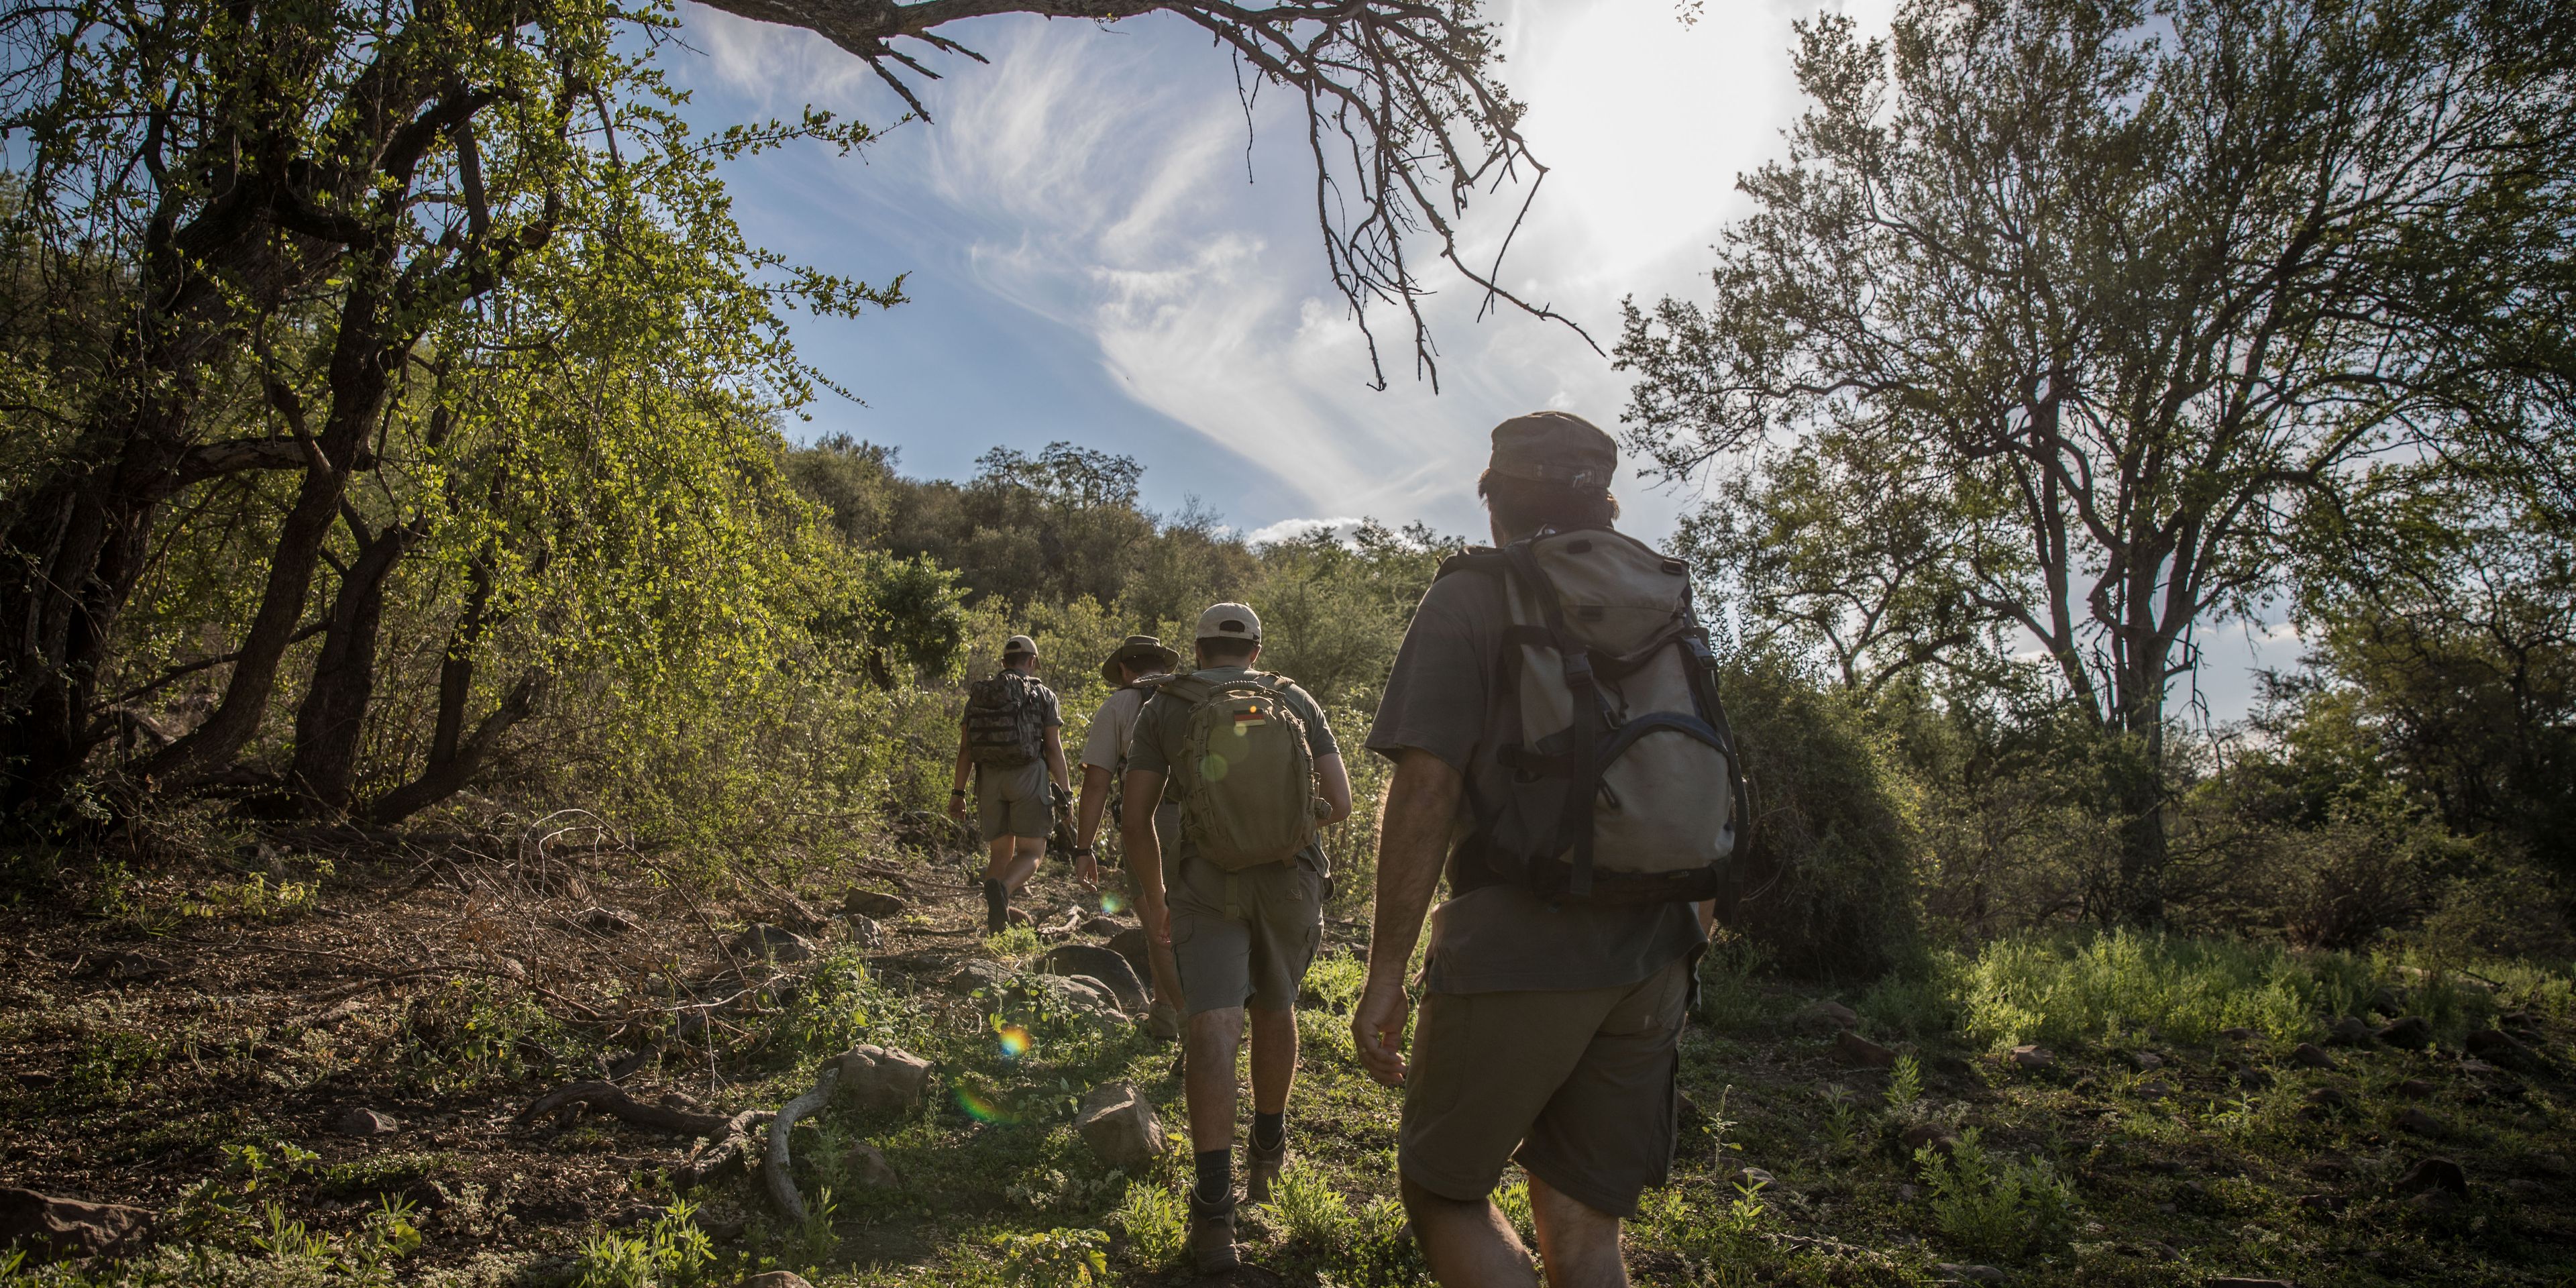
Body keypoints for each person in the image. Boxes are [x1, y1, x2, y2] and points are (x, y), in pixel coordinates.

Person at [1353, 412, 1718, 1288]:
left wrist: (1385, 972)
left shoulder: (1473, 593)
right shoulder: (1665, 595)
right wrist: (1691, 938)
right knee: (1585, 1231)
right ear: (1606, 502)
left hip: (1520, 940)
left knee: (1443, 1191)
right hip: (1656, 946)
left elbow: (1427, 790)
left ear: (1496, 501)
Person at [1121, 602, 1354, 1273]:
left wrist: (1159, 895)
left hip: (1204, 882)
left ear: (1196, 650)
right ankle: (1269, 1157)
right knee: (1276, 1009)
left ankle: (1213, 1216)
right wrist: (1286, 819)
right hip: (1289, 882)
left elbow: (1137, 819)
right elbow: (1339, 804)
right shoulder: (1294, 699)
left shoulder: (1165, 705)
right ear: (1255, 648)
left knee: (1214, 1027)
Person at [1073, 633, 1188, 1038]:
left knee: (1160, 926)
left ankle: (1195, 1031)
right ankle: (1165, 1017)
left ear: (1124, 670)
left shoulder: (1119, 705)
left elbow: (1097, 784)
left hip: (1149, 824)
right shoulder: (1192, 698)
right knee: (1193, 924)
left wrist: (1084, 847)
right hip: (1209, 823)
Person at [949, 634, 1073, 933]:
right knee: (1031, 853)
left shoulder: (980, 696)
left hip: (989, 779)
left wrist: (958, 792)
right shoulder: (1043, 695)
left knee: (999, 854)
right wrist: (1066, 792)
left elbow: (966, 749)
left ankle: (997, 925)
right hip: (1029, 776)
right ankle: (1003, 889)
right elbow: (1054, 748)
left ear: (1004, 663)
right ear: (1032, 662)